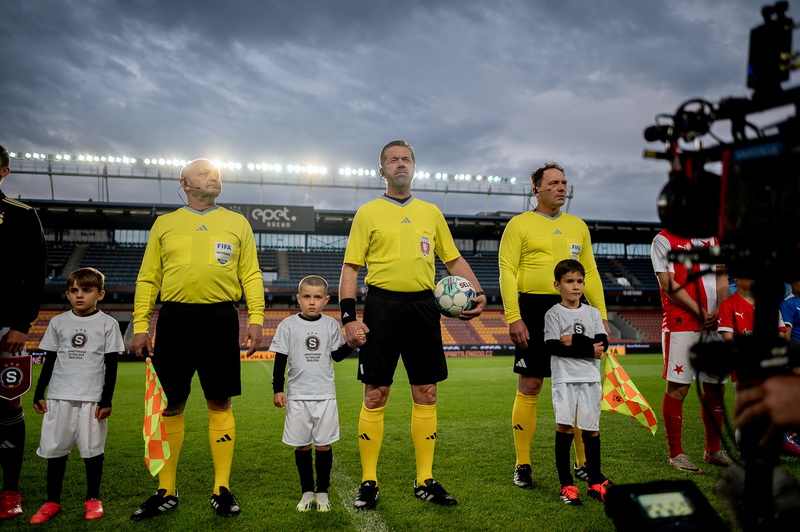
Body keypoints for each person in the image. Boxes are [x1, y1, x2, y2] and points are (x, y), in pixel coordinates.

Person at [339, 140, 486, 510]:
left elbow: (453, 260)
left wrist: (480, 292)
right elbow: (351, 268)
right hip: (381, 307)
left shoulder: (431, 213)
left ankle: (425, 480)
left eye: (406, 159)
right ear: (382, 171)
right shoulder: (368, 213)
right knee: (375, 394)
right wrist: (348, 318)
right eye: (393, 160)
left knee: (427, 393)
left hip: (423, 307)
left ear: (414, 167)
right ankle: (369, 481)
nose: (400, 164)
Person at [130, 158, 265, 520]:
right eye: (204, 173)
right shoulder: (165, 224)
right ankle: (166, 490)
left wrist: (256, 318)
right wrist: (140, 324)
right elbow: (148, 277)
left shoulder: (237, 223)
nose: (214, 177)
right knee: (170, 404)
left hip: (221, 318)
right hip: (174, 319)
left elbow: (251, 274)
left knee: (219, 401)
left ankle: (222, 487)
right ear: (185, 183)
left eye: (216, 173)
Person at [498, 162, 608, 490]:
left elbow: (590, 271)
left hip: (576, 311)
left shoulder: (578, 226)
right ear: (536, 189)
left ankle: (583, 464)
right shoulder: (519, 224)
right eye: (554, 183)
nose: (561, 187)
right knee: (530, 385)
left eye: (564, 182)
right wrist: (513, 316)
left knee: (579, 387)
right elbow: (507, 270)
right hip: (533, 309)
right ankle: (523, 464)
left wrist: (601, 314)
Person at [29, 268, 123, 523]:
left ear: (100, 294)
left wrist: (106, 400)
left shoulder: (108, 324)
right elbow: (49, 360)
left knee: (92, 450)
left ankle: (93, 499)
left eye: (86, 290)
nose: (79, 295)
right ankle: (52, 501)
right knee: (55, 449)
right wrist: (39, 392)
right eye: (74, 290)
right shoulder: (58, 322)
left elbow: (111, 365)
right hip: (59, 396)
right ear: (68, 294)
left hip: (91, 397)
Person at [271, 275, 358, 512]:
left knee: (323, 445)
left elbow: (336, 356)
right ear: (298, 298)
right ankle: (307, 491)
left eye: (317, 297)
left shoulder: (331, 325)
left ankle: (322, 492)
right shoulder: (287, 325)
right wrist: (278, 389)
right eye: (307, 297)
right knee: (301, 446)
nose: (312, 302)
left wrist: (351, 344)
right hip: (297, 396)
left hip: (325, 395)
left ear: (326, 300)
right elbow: (280, 360)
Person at [651, 229, 731, 473]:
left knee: (715, 387)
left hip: (714, 323)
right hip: (681, 323)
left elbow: (721, 277)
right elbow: (667, 283)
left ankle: (713, 451)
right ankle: (676, 454)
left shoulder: (713, 240)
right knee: (679, 388)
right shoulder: (663, 240)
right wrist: (699, 310)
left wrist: (723, 309)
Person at [0, 144, 47, 521]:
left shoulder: (20, 215)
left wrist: (21, 324)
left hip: (5, 329)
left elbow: (35, 275)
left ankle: (10, 491)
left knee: (7, 402)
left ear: (4, 171)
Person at [544, 260, 610, 506]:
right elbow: (553, 347)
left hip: (590, 379)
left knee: (591, 429)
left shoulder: (592, 313)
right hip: (565, 379)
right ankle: (567, 485)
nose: (575, 286)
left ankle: (595, 482)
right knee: (565, 428)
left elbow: (602, 345)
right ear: (557, 285)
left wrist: (573, 339)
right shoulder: (553, 314)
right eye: (569, 281)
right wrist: (588, 348)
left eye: (579, 281)